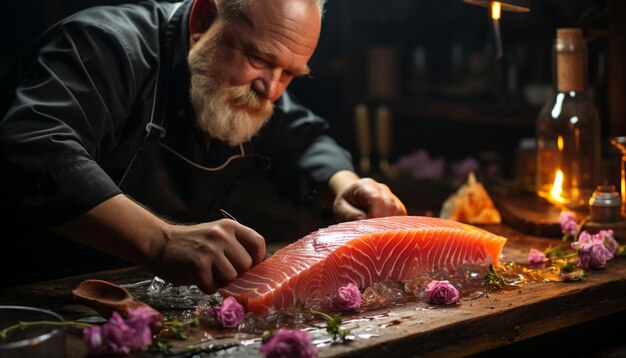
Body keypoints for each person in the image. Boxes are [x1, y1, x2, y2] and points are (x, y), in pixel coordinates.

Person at [0, 0, 406, 291]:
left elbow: (306, 138)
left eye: (290, 74)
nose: (271, 89)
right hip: (34, 295)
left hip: (144, 297)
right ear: (204, 17)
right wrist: (162, 241)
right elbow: (36, 148)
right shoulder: (106, 46)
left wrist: (345, 184)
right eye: (259, 58)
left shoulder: (260, 87)